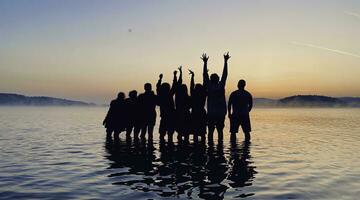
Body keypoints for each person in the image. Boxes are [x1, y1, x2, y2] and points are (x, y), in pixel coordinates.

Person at [202, 52, 230, 141]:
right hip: (220, 113)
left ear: (211, 79)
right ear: (218, 79)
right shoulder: (220, 86)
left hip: (212, 113)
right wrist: (225, 61)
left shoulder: (210, 87)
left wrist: (205, 63)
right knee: (219, 132)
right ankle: (219, 148)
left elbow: (205, 75)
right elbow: (225, 75)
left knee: (211, 132)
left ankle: (211, 148)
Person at [156, 72, 176, 142]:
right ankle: (170, 148)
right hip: (171, 116)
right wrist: (175, 76)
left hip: (164, 116)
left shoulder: (160, 95)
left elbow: (158, 87)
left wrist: (160, 79)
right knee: (170, 134)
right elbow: (174, 87)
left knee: (162, 134)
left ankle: (163, 148)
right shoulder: (169, 94)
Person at [189, 69, 207, 142]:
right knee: (202, 133)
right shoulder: (203, 94)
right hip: (201, 113)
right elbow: (205, 84)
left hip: (194, 113)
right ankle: (203, 146)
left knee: (195, 132)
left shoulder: (193, 94)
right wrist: (205, 75)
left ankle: (195, 146)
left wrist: (193, 76)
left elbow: (191, 86)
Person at [174, 66, 191, 142]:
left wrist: (177, 74)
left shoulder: (178, 96)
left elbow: (177, 84)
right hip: (186, 114)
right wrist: (180, 73)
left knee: (180, 133)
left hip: (178, 114)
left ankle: (179, 145)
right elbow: (178, 83)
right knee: (186, 133)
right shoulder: (188, 97)